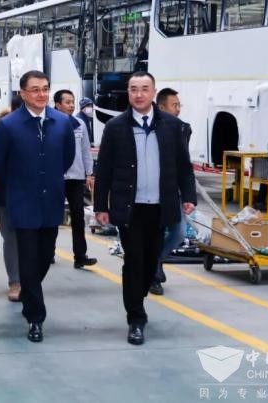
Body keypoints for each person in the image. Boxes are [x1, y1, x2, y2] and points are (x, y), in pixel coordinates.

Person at [94, 71, 196, 345]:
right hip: (130, 208)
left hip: (161, 206)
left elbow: (183, 166)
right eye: (133, 89)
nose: (138, 94)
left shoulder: (172, 126)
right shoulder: (115, 127)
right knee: (134, 261)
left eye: (144, 89)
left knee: (151, 262)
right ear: (128, 93)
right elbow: (104, 170)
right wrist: (101, 206)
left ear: (153, 93)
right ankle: (136, 319)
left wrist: (189, 196)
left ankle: (137, 294)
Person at [0, 70, 75, 343]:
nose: (41, 94)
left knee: (45, 255)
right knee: (26, 257)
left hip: (51, 201)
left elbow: (67, 158)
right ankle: (35, 317)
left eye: (45, 88)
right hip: (22, 201)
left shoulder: (62, 123)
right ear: (23, 93)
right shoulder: (8, 126)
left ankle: (28, 288)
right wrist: (18, 185)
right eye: (35, 89)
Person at [150, 87, 193, 296]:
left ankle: (156, 262)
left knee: (179, 232)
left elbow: (184, 165)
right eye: (174, 105)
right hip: (149, 194)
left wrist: (188, 196)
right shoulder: (149, 128)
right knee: (153, 235)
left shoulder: (182, 128)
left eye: (179, 105)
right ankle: (153, 275)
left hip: (171, 191)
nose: (178, 110)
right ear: (161, 107)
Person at [53, 90, 97, 269]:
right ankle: (48, 252)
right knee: (53, 216)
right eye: (67, 102)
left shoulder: (80, 124)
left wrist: (89, 173)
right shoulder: (50, 122)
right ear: (57, 105)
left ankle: (80, 256)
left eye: (72, 102)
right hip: (56, 177)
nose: (71, 105)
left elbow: (86, 150)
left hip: (76, 177)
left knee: (78, 217)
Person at [0, 95, 23, 301]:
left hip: (33, 193)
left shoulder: (41, 128)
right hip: (5, 193)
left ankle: (29, 280)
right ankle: (15, 281)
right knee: (11, 238)